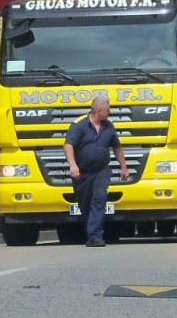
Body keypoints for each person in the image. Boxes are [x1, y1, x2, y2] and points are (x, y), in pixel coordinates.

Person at [64, 95, 129, 247]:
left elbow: (117, 147)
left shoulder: (109, 126)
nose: (109, 112)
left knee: (99, 199)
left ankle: (95, 235)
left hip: (101, 171)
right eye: (107, 109)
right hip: (82, 173)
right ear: (99, 111)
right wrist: (73, 165)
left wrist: (123, 167)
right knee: (85, 204)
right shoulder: (78, 125)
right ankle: (90, 232)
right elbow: (68, 146)